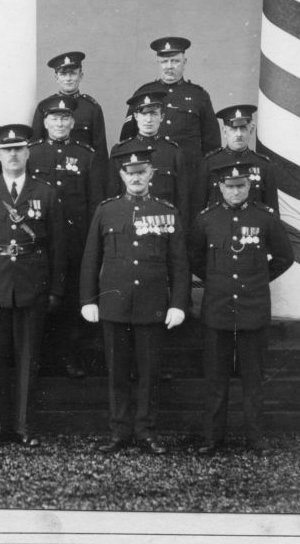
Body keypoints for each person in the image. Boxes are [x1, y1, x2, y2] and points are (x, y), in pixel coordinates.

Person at [80, 149, 190, 455]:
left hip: (152, 305)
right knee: (116, 371)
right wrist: (89, 299)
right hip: (115, 305)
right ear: (121, 175)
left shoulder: (167, 211)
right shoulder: (107, 211)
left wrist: (178, 303)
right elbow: (91, 259)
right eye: (130, 172)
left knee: (149, 373)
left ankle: (146, 431)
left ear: (152, 173)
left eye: (142, 172)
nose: (136, 177)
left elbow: (180, 264)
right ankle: (119, 431)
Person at [0, 124, 66, 448]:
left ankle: (23, 426)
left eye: (19, 149)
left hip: (31, 281)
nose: (13, 155)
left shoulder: (45, 193)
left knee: (27, 357)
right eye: (7, 150)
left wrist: (56, 289)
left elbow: (59, 246)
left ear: (27, 153)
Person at [189, 162, 294, 456]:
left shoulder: (265, 219)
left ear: (249, 187)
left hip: (253, 308)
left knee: (253, 379)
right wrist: (217, 280)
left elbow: (285, 256)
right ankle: (212, 439)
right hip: (218, 309)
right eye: (230, 186)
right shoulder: (206, 220)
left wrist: (259, 278)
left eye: (241, 186)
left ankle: (256, 439)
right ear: (220, 187)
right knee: (215, 379)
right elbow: (195, 257)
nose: (235, 191)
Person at [28, 96, 104, 378]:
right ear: (44, 122)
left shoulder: (87, 155)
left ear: (73, 122)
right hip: (39, 240)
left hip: (74, 242)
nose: (59, 123)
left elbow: (96, 202)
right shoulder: (31, 153)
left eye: (64, 119)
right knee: (36, 299)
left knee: (71, 301)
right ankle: (35, 358)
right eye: (54, 118)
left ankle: (68, 356)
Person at [119, 37, 221, 183]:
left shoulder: (199, 96)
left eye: (175, 61)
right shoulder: (143, 94)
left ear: (185, 62)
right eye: (164, 61)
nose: (169, 66)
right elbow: (127, 140)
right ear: (158, 63)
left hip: (189, 175)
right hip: (150, 176)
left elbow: (212, 145)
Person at [108, 92, 190, 222]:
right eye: (144, 114)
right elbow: (112, 194)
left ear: (162, 117)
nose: (148, 119)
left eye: (154, 114)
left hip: (164, 222)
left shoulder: (174, 152)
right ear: (135, 116)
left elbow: (182, 199)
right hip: (129, 220)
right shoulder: (121, 151)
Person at [194, 104, 279, 214]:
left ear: (251, 130)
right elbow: (198, 210)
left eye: (243, 129)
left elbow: (272, 212)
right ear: (225, 131)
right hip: (218, 228)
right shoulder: (209, 164)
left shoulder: (264, 165)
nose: (238, 134)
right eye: (233, 129)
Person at [30, 51, 108, 167]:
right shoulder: (45, 107)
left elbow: (100, 151)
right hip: (49, 168)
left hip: (82, 171)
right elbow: (35, 145)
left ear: (80, 76)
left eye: (72, 73)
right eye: (63, 74)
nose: (68, 79)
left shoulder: (92, 108)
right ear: (56, 77)